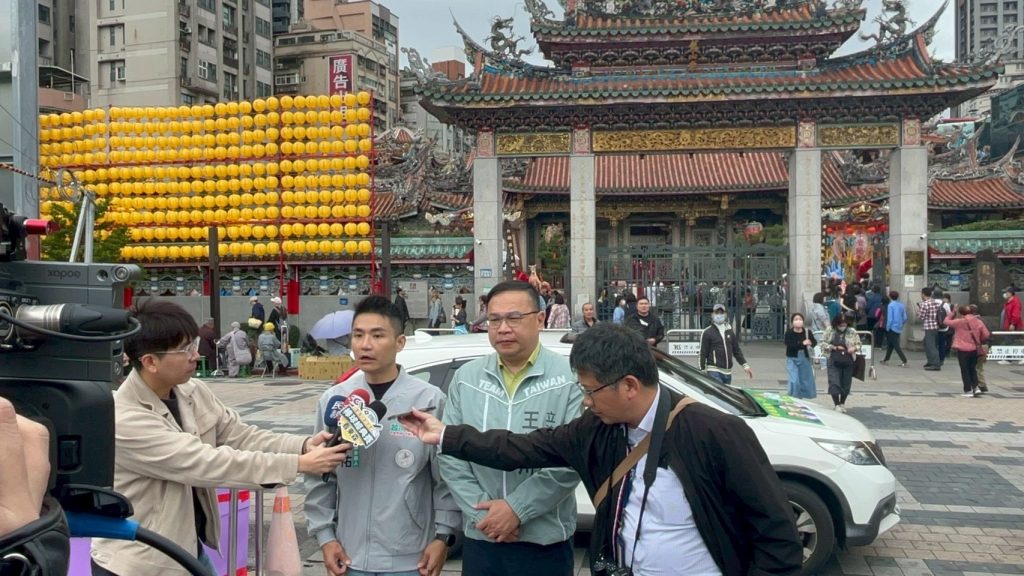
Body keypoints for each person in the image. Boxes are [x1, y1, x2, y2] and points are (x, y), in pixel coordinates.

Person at [400, 324, 803, 576]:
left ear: (629, 385)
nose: (585, 401)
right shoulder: (597, 430)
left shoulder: (716, 433)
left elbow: (777, 536)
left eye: (590, 390)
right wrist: (447, 434)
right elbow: (522, 448)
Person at [90, 300, 350, 576]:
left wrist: (302, 445)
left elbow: (240, 436)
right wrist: (299, 463)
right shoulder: (125, 417)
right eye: (184, 349)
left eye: (193, 344)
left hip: (185, 547)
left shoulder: (192, 391)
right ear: (150, 362)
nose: (194, 355)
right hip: (139, 561)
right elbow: (206, 463)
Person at [305, 296, 460, 576]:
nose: (366, 345)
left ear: (400, 343)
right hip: (349, 556)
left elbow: (446, 478)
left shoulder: (428, 400)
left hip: (411, 559)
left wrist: (443, 537)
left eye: (378, 335)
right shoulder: (336, 399)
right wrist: (325, 538)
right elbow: (319, 476)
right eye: (358, 335)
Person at [440, 280, 582, 576]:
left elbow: (572, 460)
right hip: (482, 538)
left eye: (514, 318)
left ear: (540, 319)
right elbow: (449, 453)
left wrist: (517, 509)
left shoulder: (570, 378)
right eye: (494, 319)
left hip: (546, 541)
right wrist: (486, 513)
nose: (503, 328)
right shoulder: (466, 378)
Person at [698, 303, 753, 384]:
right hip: (714, 371)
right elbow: (703, 353)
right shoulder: (707, 332)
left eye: (721, 313)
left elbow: (736, 350)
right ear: (712, 315)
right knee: (719, 394)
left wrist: (745, 365)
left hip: (727, 373)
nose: (719, 315)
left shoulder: (729, 331)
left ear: (725, 315)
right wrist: (702, 371)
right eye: (717, 313)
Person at [944, 305, 990, 398]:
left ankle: (968, 389)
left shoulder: (959, 322)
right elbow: (986, 334)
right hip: (974, 349)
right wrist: (979, 339)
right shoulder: (978, 322)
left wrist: (952, 312)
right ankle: (976, 387)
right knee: (973, 369)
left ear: (961, 313)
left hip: (962, 349)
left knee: (964, 369)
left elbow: (946, 321)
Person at [820, 315, 861, 413]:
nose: (843, 326)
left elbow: (859, 344)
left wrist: (854, 348)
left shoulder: (852, 331)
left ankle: (842, 403)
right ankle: (836, 404)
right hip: (833, 359)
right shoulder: (830, 330)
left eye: (845, 324)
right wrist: (834, 347)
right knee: (834, 381)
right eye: (840, 324)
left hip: (848, 360)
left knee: (846, 383)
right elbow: (822, 343)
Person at [784, 313, 817, 399]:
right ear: (792, 322)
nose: (798, 321)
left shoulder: (807, 332)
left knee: (805, 379)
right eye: (796, 319)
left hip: (804, 357)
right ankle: (794, 396)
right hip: (792, 357)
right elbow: (790, 345)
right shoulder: (789, 333)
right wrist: (802, 343)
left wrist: (810, 343)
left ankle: (802, 396)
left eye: (800, 319)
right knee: (794, 380)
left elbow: (814, 342)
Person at [916, 287, 942, 371]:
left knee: (931, 346)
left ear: (923, 294)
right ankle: (931, 361)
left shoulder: (925, 304)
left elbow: (921, 316)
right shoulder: (935, 302)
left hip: (929, 327)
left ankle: (935, 364)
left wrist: (918, 311)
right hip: (935, 326)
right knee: (927, 344)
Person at [882, 291, 908, 367]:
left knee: (895, 345)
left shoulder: (890, 305)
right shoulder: (901, 305)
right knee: (891, 344)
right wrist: (901, 324)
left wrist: (887, 327)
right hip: (899, 327)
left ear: (890, 297)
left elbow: (890, 318)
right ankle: (886, 359)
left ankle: (904, 360)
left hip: (892, 327)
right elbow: (905, 318)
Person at [969, 304, 990, 393]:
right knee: (979, 367)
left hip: (977, 347)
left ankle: (979, 385)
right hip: (984, 346)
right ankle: (982, 384)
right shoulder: (982, 320)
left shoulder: (973, 321)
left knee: (975, 367)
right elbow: (987, 334)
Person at [937, 293, 954, 367]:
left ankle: (935, 359)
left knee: (934, 344)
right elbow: (949, 315)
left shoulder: (931, 302)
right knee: (942, 344)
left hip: (934, 327)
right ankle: (941, 359)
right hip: (944, 327)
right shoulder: (945, 305)